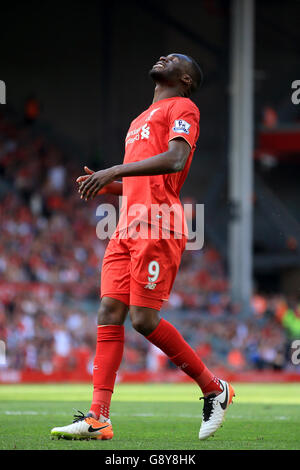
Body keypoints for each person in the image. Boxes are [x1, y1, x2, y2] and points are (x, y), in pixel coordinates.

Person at [50, 53, 235, 442]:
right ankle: (98, 417)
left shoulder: (184, 106)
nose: (164, 56)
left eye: (175, 59)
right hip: (126, 225)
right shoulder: (137, 121)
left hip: (160, 223)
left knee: (143, 320)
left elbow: (176, 158)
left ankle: (215, 389)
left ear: (185, 79)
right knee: (109, 309)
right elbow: (140, 182)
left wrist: (115, 169)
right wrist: (111, 183)